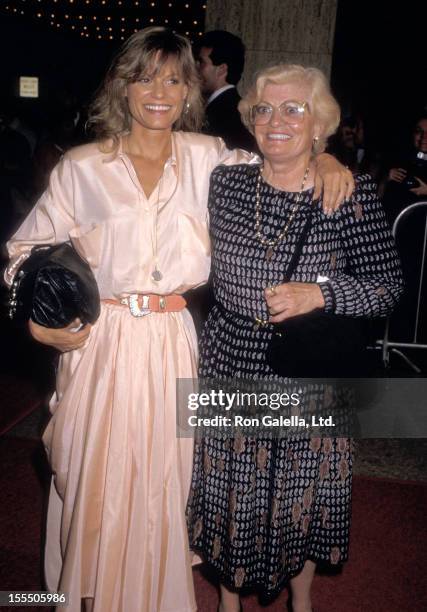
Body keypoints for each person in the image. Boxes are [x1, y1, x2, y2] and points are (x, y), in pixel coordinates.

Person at [5, 28, 353, 612]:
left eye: (174, 78)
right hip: (99, 343)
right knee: (94, 479)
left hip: (174, 341)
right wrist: (35, 323)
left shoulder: (211, 158)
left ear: (191, 88)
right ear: (123, 86)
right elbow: (24, 253)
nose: (159, 92)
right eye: (145, 77)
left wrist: (325, 156)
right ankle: (82, 597)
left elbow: (280, 158)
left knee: (168, 481)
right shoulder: (81, 167)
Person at [186, 64, 403, 612]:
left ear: (319, 125)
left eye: (294, 109)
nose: (276, 120)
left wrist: (321, 294)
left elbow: (387, 289)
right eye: (264, 108)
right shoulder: (225, 182)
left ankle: (300, 600)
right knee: (232, 487)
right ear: (250, 119)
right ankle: (228, 601)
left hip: (310, 363)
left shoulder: (348, 195)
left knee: (303, 489)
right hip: (231, 353)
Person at [194, 30, 257, 152]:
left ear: (221, 69)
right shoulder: (231, 109)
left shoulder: (226, 115)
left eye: (201, 62)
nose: (195, 68)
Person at [381, 113, 427, 223]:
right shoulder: (399, 159)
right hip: (396, 228)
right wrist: (386, 178)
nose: (424, 137)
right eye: (419, 131)